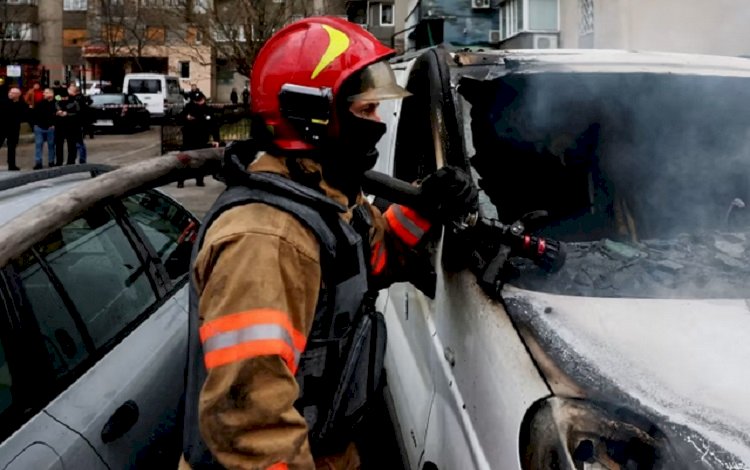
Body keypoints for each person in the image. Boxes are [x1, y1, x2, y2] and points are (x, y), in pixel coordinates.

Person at [179, 17, 478, 470]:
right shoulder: (264, 242)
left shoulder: (328, 197)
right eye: (365, 111)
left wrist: (425, 204)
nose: (378, 123)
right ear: (313, 117)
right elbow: (251, 429)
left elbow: (374, 258)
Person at [176, 91, 220, 188]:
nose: (199, 102)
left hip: (202, 139)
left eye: (200, 100)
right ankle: (180, 181)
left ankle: (199, 180)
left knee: (201, 161)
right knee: (184, 160)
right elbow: (178, 119)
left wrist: (216, 139)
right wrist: (186, 118)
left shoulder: (207, 110)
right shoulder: (189, 108)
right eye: (197, 101)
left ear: (203, 99)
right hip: (188, 139)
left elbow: (214, 125)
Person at [0, 87, 30, 171]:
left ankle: (11, 164)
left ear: (18, 95)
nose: (10, 94)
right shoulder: (3, 102)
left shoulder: (21, 104)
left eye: (13, 93)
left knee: (12, 147)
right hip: (2, 127)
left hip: (14, 128)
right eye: (10, 92)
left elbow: (25, 115)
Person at [54, 84, 84, 165]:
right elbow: (55, 101)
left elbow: (78, 113)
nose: (64, 98)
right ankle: (59, 161)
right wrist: (58, 112)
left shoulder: (75, 100)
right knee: (59, 144)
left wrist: (67, 114)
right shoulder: (58, 98)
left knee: (71, 144)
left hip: (71, 125)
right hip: (59, 125)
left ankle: (71, 161)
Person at [32, 88, 57, 169]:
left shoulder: (56, 103)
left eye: (46, 93)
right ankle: (38, 162)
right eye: (44, 92)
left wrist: (54, 124)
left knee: (51, 145)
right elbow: (34, 114)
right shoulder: (40, 103)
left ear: (52, 94)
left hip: (50, 127)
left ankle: (51, 161)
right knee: (38, 144)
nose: (44, 94)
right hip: (39, 127)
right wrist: (35, 124)